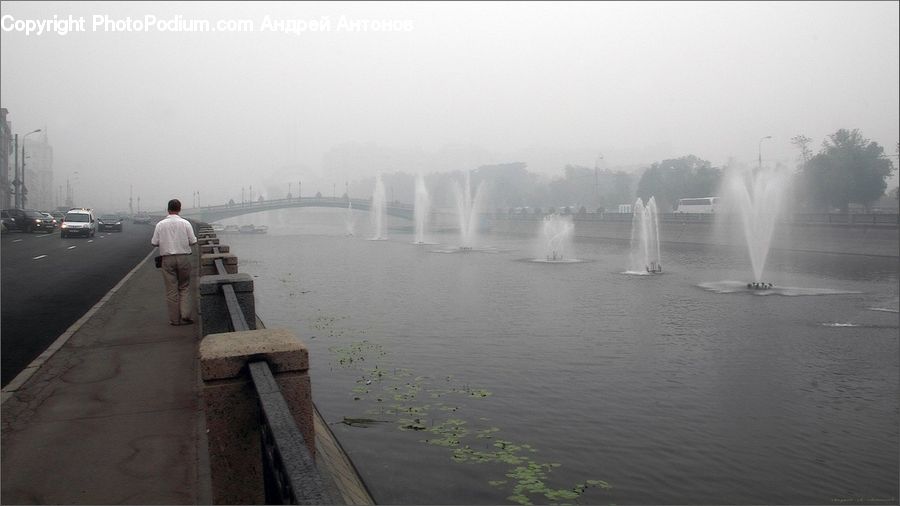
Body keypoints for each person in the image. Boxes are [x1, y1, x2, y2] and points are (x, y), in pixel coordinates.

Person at [151, 199, 198, 326]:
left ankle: (174, 320)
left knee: (171, 290)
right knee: (184, 287)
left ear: (168, 209)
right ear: (179, 209)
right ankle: (186, 315)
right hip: (183, 258)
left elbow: (154, 242)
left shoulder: (160, 224)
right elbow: (193, 241)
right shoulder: (185, 223)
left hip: (167, 259)